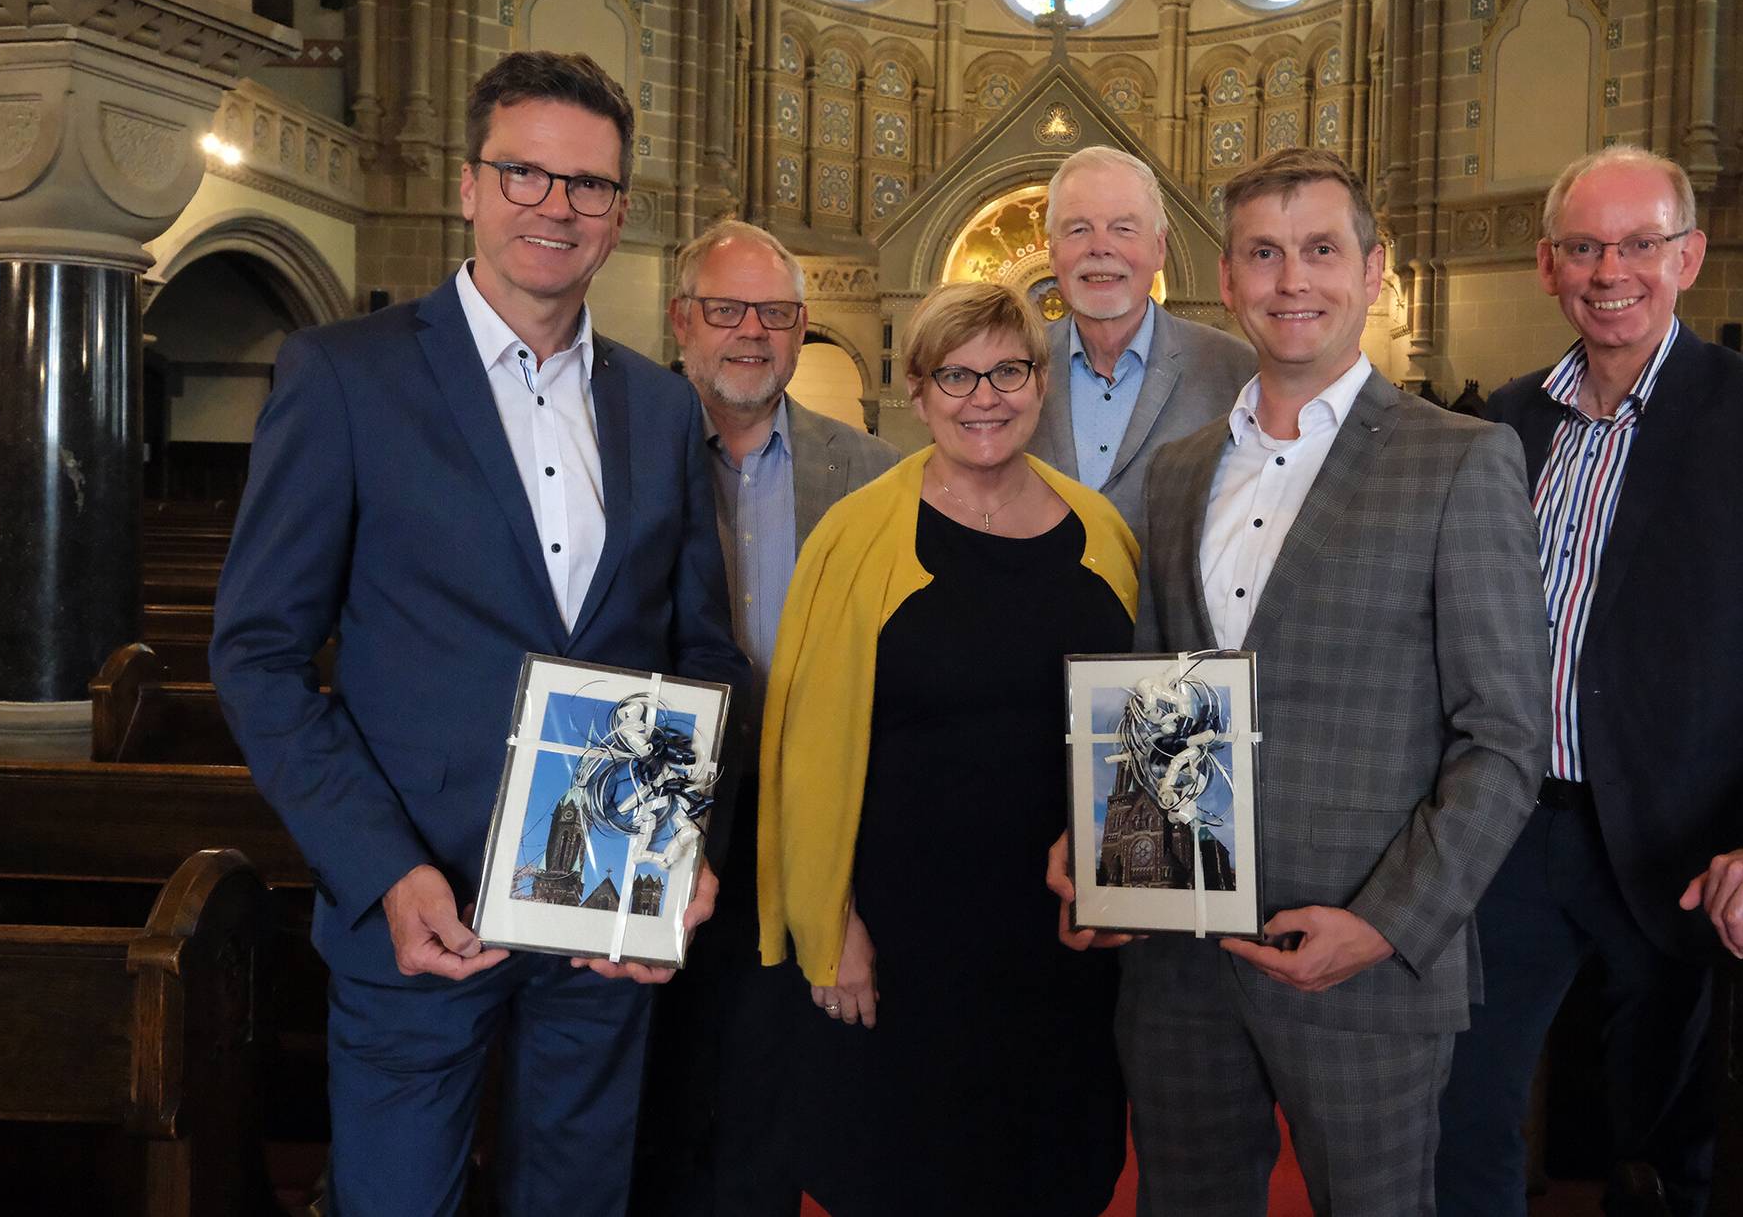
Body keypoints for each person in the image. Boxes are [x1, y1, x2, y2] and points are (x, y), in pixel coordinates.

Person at [209, 50, 747, 1217]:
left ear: (618, 211)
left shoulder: (659, 409)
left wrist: (677, 850)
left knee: (578, 1199)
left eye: (589, 185)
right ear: (468, 184)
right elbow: (257, 655)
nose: (556, 207)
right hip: (420, 908)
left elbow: (699, 651)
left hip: (604, 912)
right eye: (525, 173)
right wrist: (382, 868)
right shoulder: (344, 377)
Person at [1052, 147, 1552, 1216]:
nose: (1293, 282)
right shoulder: (1184, 468)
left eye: (1322, 251)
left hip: (1363, 961)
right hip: (1182, 966)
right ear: (1224, 281)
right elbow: (1159, 695)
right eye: (1265, 256)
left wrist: (1386, 922)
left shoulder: (1460, 460)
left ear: (1374, 273)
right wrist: (1113, 855)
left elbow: (1507, 736)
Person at [1435, 146, 1743, 1217]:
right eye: (1584, 246)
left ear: (1689, 256)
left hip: (1688, 840)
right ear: (1547, 264)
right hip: (1508, 829)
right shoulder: (1504, 423)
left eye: (1640, 243)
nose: (1611, 269)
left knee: (1674, 1151)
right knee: (1454, 1112)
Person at [758, 282, 1137, 1216]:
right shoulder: (854, 535)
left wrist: (1135, 876)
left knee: (1054, 1175)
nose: (985, 396)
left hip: (1061, 936)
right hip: (901, 939)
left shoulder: (1105, 532)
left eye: (1008, 370)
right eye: (957, 375)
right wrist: (829, 921)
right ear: (919, 391)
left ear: (1040, 381)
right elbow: (802, 749)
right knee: (905, 1181)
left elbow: (1143, 730)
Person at [643, 218, 897, 1216]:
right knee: (652, 1085)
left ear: (803, 331)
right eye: (726, 309)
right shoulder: (621, 448)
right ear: (681, 321)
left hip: (800, 819)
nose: (752, 331)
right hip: (657, 810)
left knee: (765, 1087)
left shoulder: (871, 471)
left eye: (778, 314)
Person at [1028, 144, 1256, 539]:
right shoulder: (1015, 369)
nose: (1100, 247)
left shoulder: (1236, 372)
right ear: (1052, 252)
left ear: (1159, 248)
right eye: (1078, 229)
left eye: (1124, 229)